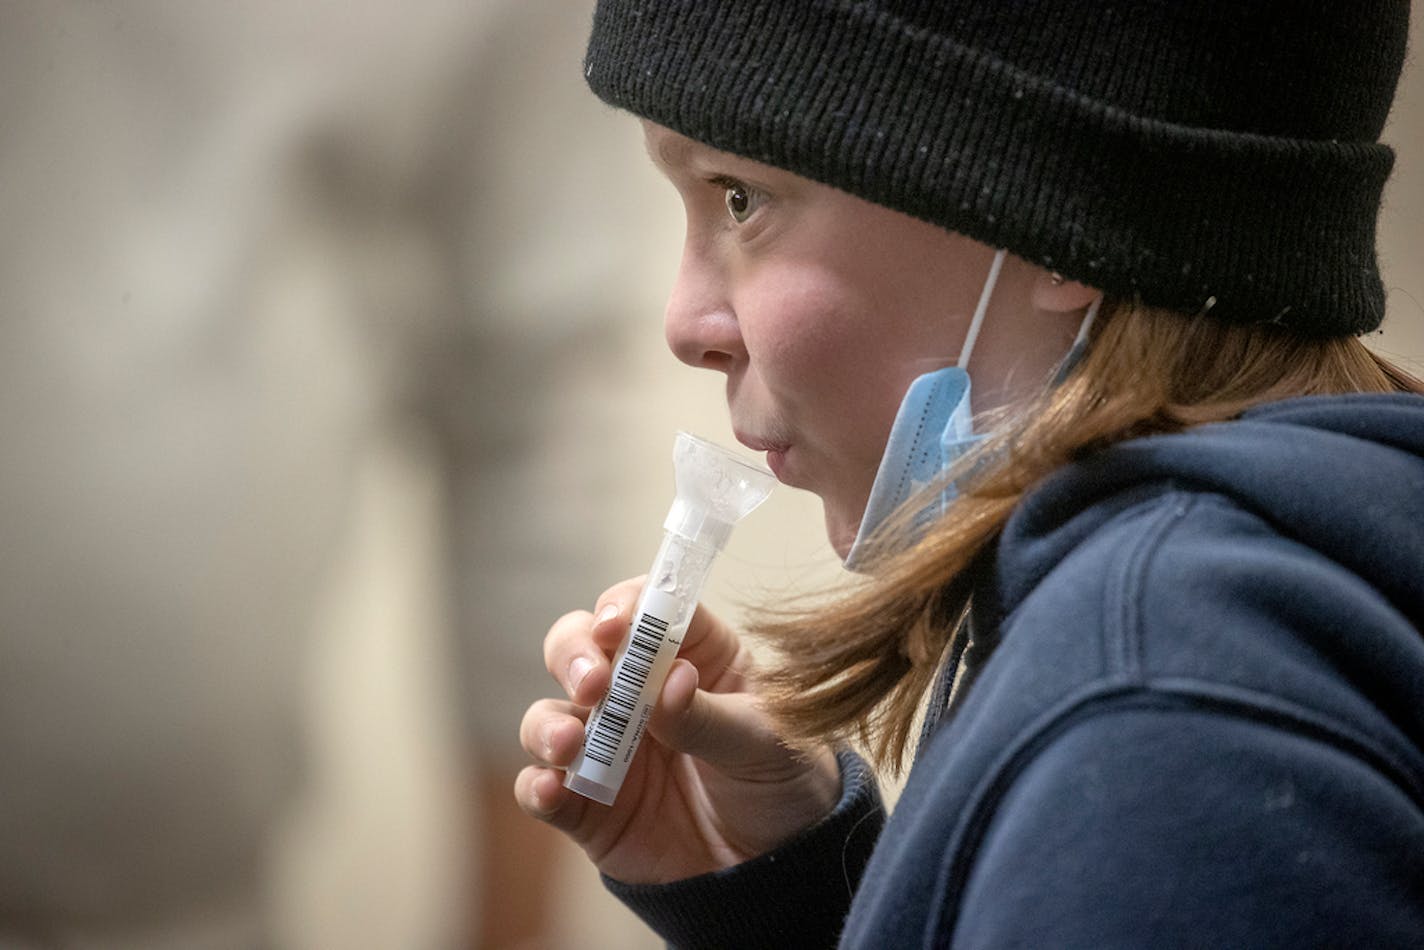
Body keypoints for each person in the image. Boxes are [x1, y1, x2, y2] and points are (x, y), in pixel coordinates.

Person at [517, 1, 1424, 946]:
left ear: (1051, 212)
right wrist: (791, 901)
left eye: (740, 196)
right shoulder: (1262, 617)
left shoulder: (1157, 735)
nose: (684, 322)